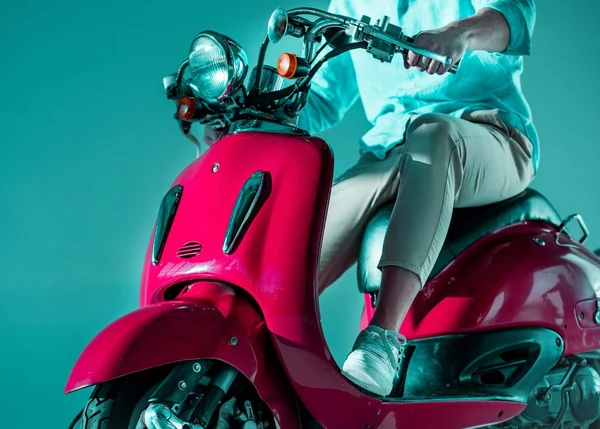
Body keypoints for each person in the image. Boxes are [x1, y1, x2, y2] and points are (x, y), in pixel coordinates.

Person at [207, 0, 537, 397]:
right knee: (282, 260)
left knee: (433, 135)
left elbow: (512, 20)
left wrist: (460, 34)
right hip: (388, 154)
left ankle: (382, 339)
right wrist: (239, 118)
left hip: (487, 132)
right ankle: (229, 380)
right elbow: (324, 98)